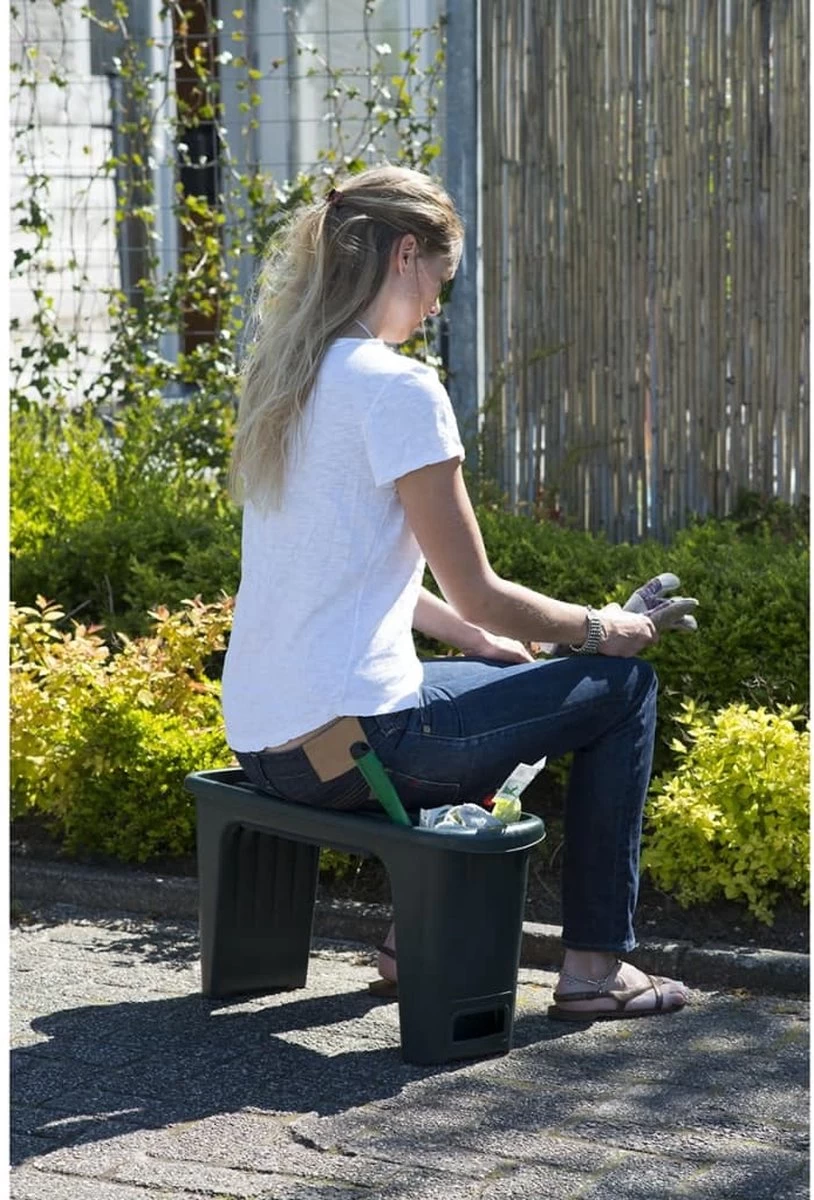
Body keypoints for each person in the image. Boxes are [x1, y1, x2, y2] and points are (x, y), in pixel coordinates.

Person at [222, 165, 690, 1022]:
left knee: (506, 682)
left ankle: (413, 941)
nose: (437, 304)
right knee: (623, 690)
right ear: (405, 255)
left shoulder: (288, 379)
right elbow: (478, 591)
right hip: (360, 744)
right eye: (440, 279)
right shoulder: (398, 389)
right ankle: (595, 970)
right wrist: (601, 628)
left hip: (269, 745)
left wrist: (478, 644)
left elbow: (354, 572)